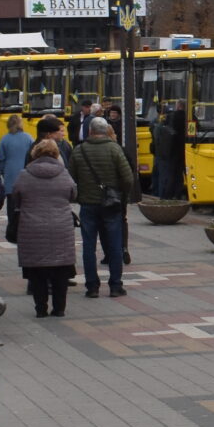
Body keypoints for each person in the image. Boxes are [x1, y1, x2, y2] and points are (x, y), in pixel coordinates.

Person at [68, 116, 137, 298]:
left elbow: (71, 177)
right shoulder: (114, 149)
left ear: (90, 131)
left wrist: (81, 194)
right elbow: (128, 178)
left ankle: (92, 286)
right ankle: (115, 285)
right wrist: (122, 196)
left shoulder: (79, 150)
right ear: (106, 130)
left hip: (88, 204)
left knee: (88, 246)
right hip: (111, 204)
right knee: (114, 244)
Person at [11, 136, 79, 317]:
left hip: (32, 227)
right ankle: (59, 308)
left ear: (35, 154)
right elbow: (73, 194)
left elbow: (16, 195)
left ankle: (40, 308)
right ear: (56, 154)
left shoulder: (24, 174)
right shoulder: (64, 174)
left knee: (37, 271)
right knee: (60, 271)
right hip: (60, 227)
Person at [154, 99, 188, 200]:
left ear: (178, 106)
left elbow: (162, 131)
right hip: (185, 149)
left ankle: (168, 195)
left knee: (170, 174)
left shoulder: (171, 117)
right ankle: (179, 194)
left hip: (171, 150)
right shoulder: (189, 117)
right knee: (181, 174)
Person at [0, 114, 34, 191]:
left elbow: (1, 159)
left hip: (10, 174)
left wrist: (3, 172)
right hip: (26, 174)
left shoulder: (4, 139)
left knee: (11, 199)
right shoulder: (28, 138)